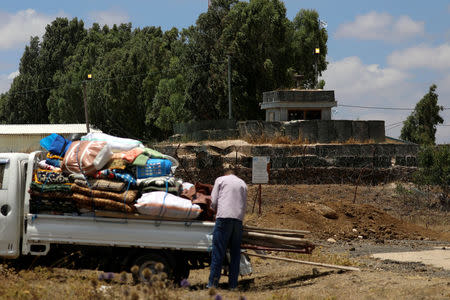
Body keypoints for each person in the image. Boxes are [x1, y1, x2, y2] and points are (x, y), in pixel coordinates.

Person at [207, 169, 247, 290]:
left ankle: (213, 284)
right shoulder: (243, 183)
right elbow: (244, 204)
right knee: (235, 254)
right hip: (238, 220)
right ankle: (233, 285)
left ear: (225, 173)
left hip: (224, 218)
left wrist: (213, 210)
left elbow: (213, 201)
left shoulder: (220, 180)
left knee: (218, 252)